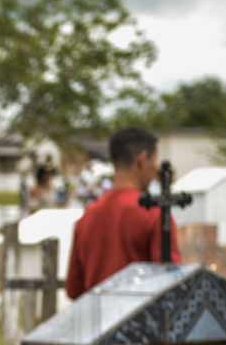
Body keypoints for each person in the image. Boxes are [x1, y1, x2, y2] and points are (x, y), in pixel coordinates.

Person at [66, 127, 182, 299]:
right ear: (142, 160)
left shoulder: (87, 217)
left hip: (99, 322)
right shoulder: (155, 214)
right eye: (154, 161)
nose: (156, 170)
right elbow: (171, 285)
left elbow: (74, 289)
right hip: (141, 321)